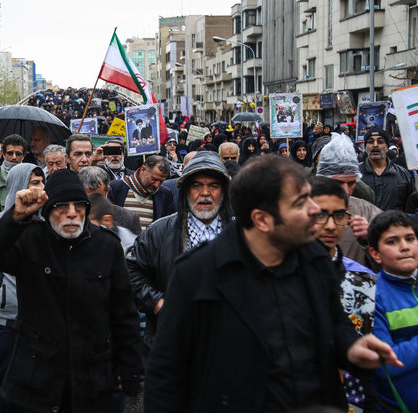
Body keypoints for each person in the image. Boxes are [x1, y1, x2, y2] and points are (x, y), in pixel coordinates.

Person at [144, 155, 403, 412]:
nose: (315, 210)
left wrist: (352, 348)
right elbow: (166, 373)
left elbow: (336, 323)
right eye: (301, 203)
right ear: (262, 220)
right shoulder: (197, 273)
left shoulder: (315, 259)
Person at [0, 168, 143, 412]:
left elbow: (124, 313)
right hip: (35, 373)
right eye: (62, 206)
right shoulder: (29, 239)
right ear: (48, 209)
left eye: (79, 205)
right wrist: (15, 218)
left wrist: (129, 371)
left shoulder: (106, 245)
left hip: (92, 376)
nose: (72, 214)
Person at [128, 151, 232, 353]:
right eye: (196, 186)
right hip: (173, 345)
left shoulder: (242, 234)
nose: (205, 193)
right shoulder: (159, 231)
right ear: (185, 191)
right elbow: (132, 272)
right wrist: (157, 302)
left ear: (224, 191)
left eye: (213, 186)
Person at [0, 162, 45, 413]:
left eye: (41, 182)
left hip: (40, 319)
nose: (39, 188)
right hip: (6, 319)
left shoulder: (47, 220)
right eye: (34, 183)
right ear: (17, 185)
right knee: (9, 383)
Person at [310, 177, 379, 412]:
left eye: (339, 215)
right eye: (321, 214)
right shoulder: (282, 277)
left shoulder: (365, 280)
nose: (330, 225)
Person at [366, 211, 418, 412]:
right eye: (392, 242)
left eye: (410, 239)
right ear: (375, 254)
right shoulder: (373, 296)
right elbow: (385, 364)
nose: (404, 247)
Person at [316, 134, 383, 269]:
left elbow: (391, 264)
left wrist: (372, 238)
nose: (346, 191)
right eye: (338, 182)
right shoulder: (301, 211)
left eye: (351, 183)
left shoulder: (368, 213)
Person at [108, 155, 175, 231]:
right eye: (154, 179)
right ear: (143, 169)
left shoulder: (164, 195)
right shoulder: (116, 188)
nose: (157, 185)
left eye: (161, 181)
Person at [360, 127, 414, 211]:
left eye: (380, 141)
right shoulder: (355, 174)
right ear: (365, 148)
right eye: (370, 141)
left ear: (387, 147)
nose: (375, 145)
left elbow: (412, 206)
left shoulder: (403, 174)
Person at [79, 166, 142, 235]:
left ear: (107, 190)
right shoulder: (72, 216)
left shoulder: (129, 218)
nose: (93, 203)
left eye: (97, 197)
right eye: (88, 198)